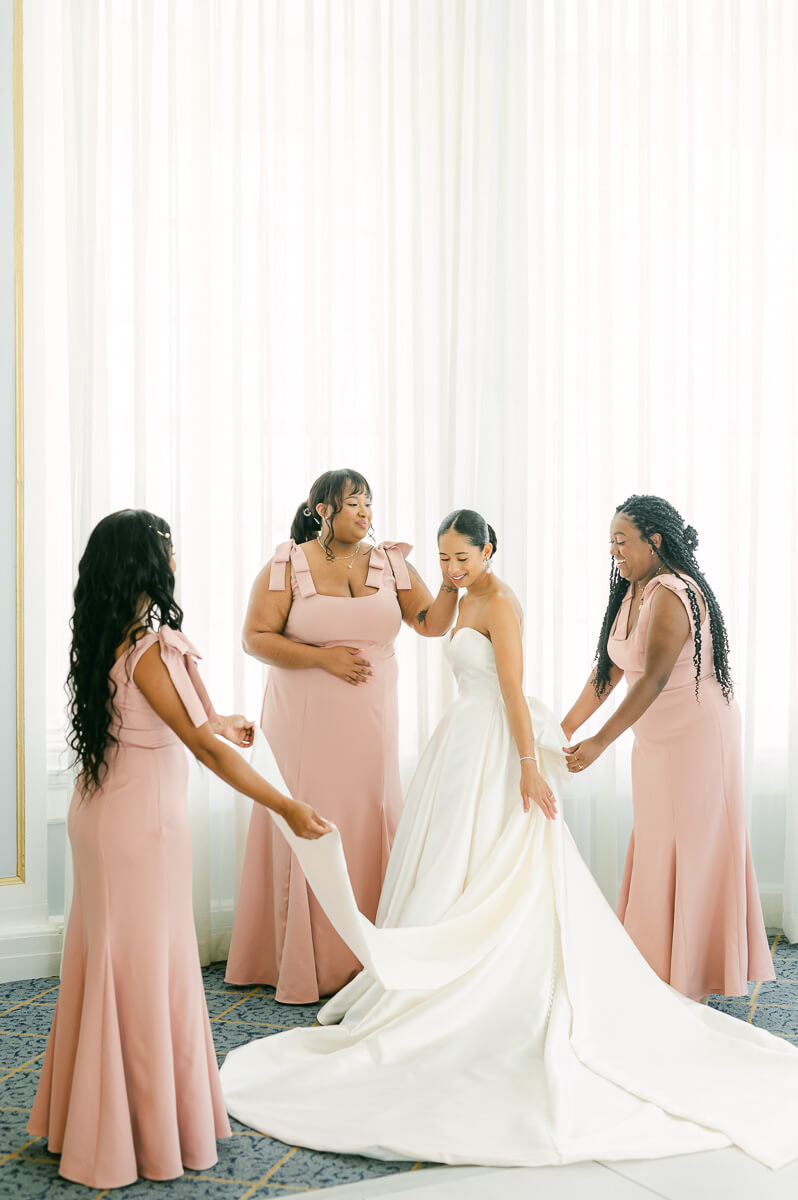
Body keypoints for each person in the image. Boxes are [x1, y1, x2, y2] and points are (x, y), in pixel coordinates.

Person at [220, 509, 798, 1172]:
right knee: (453, 863)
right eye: (444, 558)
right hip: (466, 743)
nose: (453, 568)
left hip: (535, 740)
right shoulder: (469, 598)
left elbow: (519, 693)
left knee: (541, 862)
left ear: (489, 551)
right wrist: (565, 727)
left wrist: (534, 763)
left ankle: (686, 970)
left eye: (463, 557)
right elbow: (578, 668)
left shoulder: (511, 604)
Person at [28, 510, 328, 1190]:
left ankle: (102, 1119)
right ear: (143, 562)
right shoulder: (155, 647)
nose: (174, 558)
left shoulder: (115, 635)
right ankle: (135, 1133)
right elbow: (199, 747)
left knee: (117, 963)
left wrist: (218, 720)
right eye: (166, 548)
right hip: (139, 827)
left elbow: (173, 723)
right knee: (142, 967)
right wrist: (284, 806)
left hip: (110, 814)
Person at [225, 469, 458, 1003]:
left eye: (369, 503)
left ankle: (370, 954)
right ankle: (304, 960)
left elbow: (429, 623)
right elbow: (255, 638)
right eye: (353, 502)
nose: (365, 512)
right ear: (321, 508)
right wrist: (322, 659)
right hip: (304, 720)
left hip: (370, 720)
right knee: (310, 815)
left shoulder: (392, 561)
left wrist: (451, 579)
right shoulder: (286, 563)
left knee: (369, 814)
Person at [561, 494, 773, 1000]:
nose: (614, 552)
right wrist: (561, 728)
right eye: (610, 543)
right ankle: (657, 963)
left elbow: (653, 678)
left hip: (697, 738)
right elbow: (608, 672)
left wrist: (598, 743)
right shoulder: (631, 590)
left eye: (622, 542)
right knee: (659, 844)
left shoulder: (673, 593)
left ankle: (693, 973)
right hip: (654, 741)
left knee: (693, 847)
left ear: (654, 540)